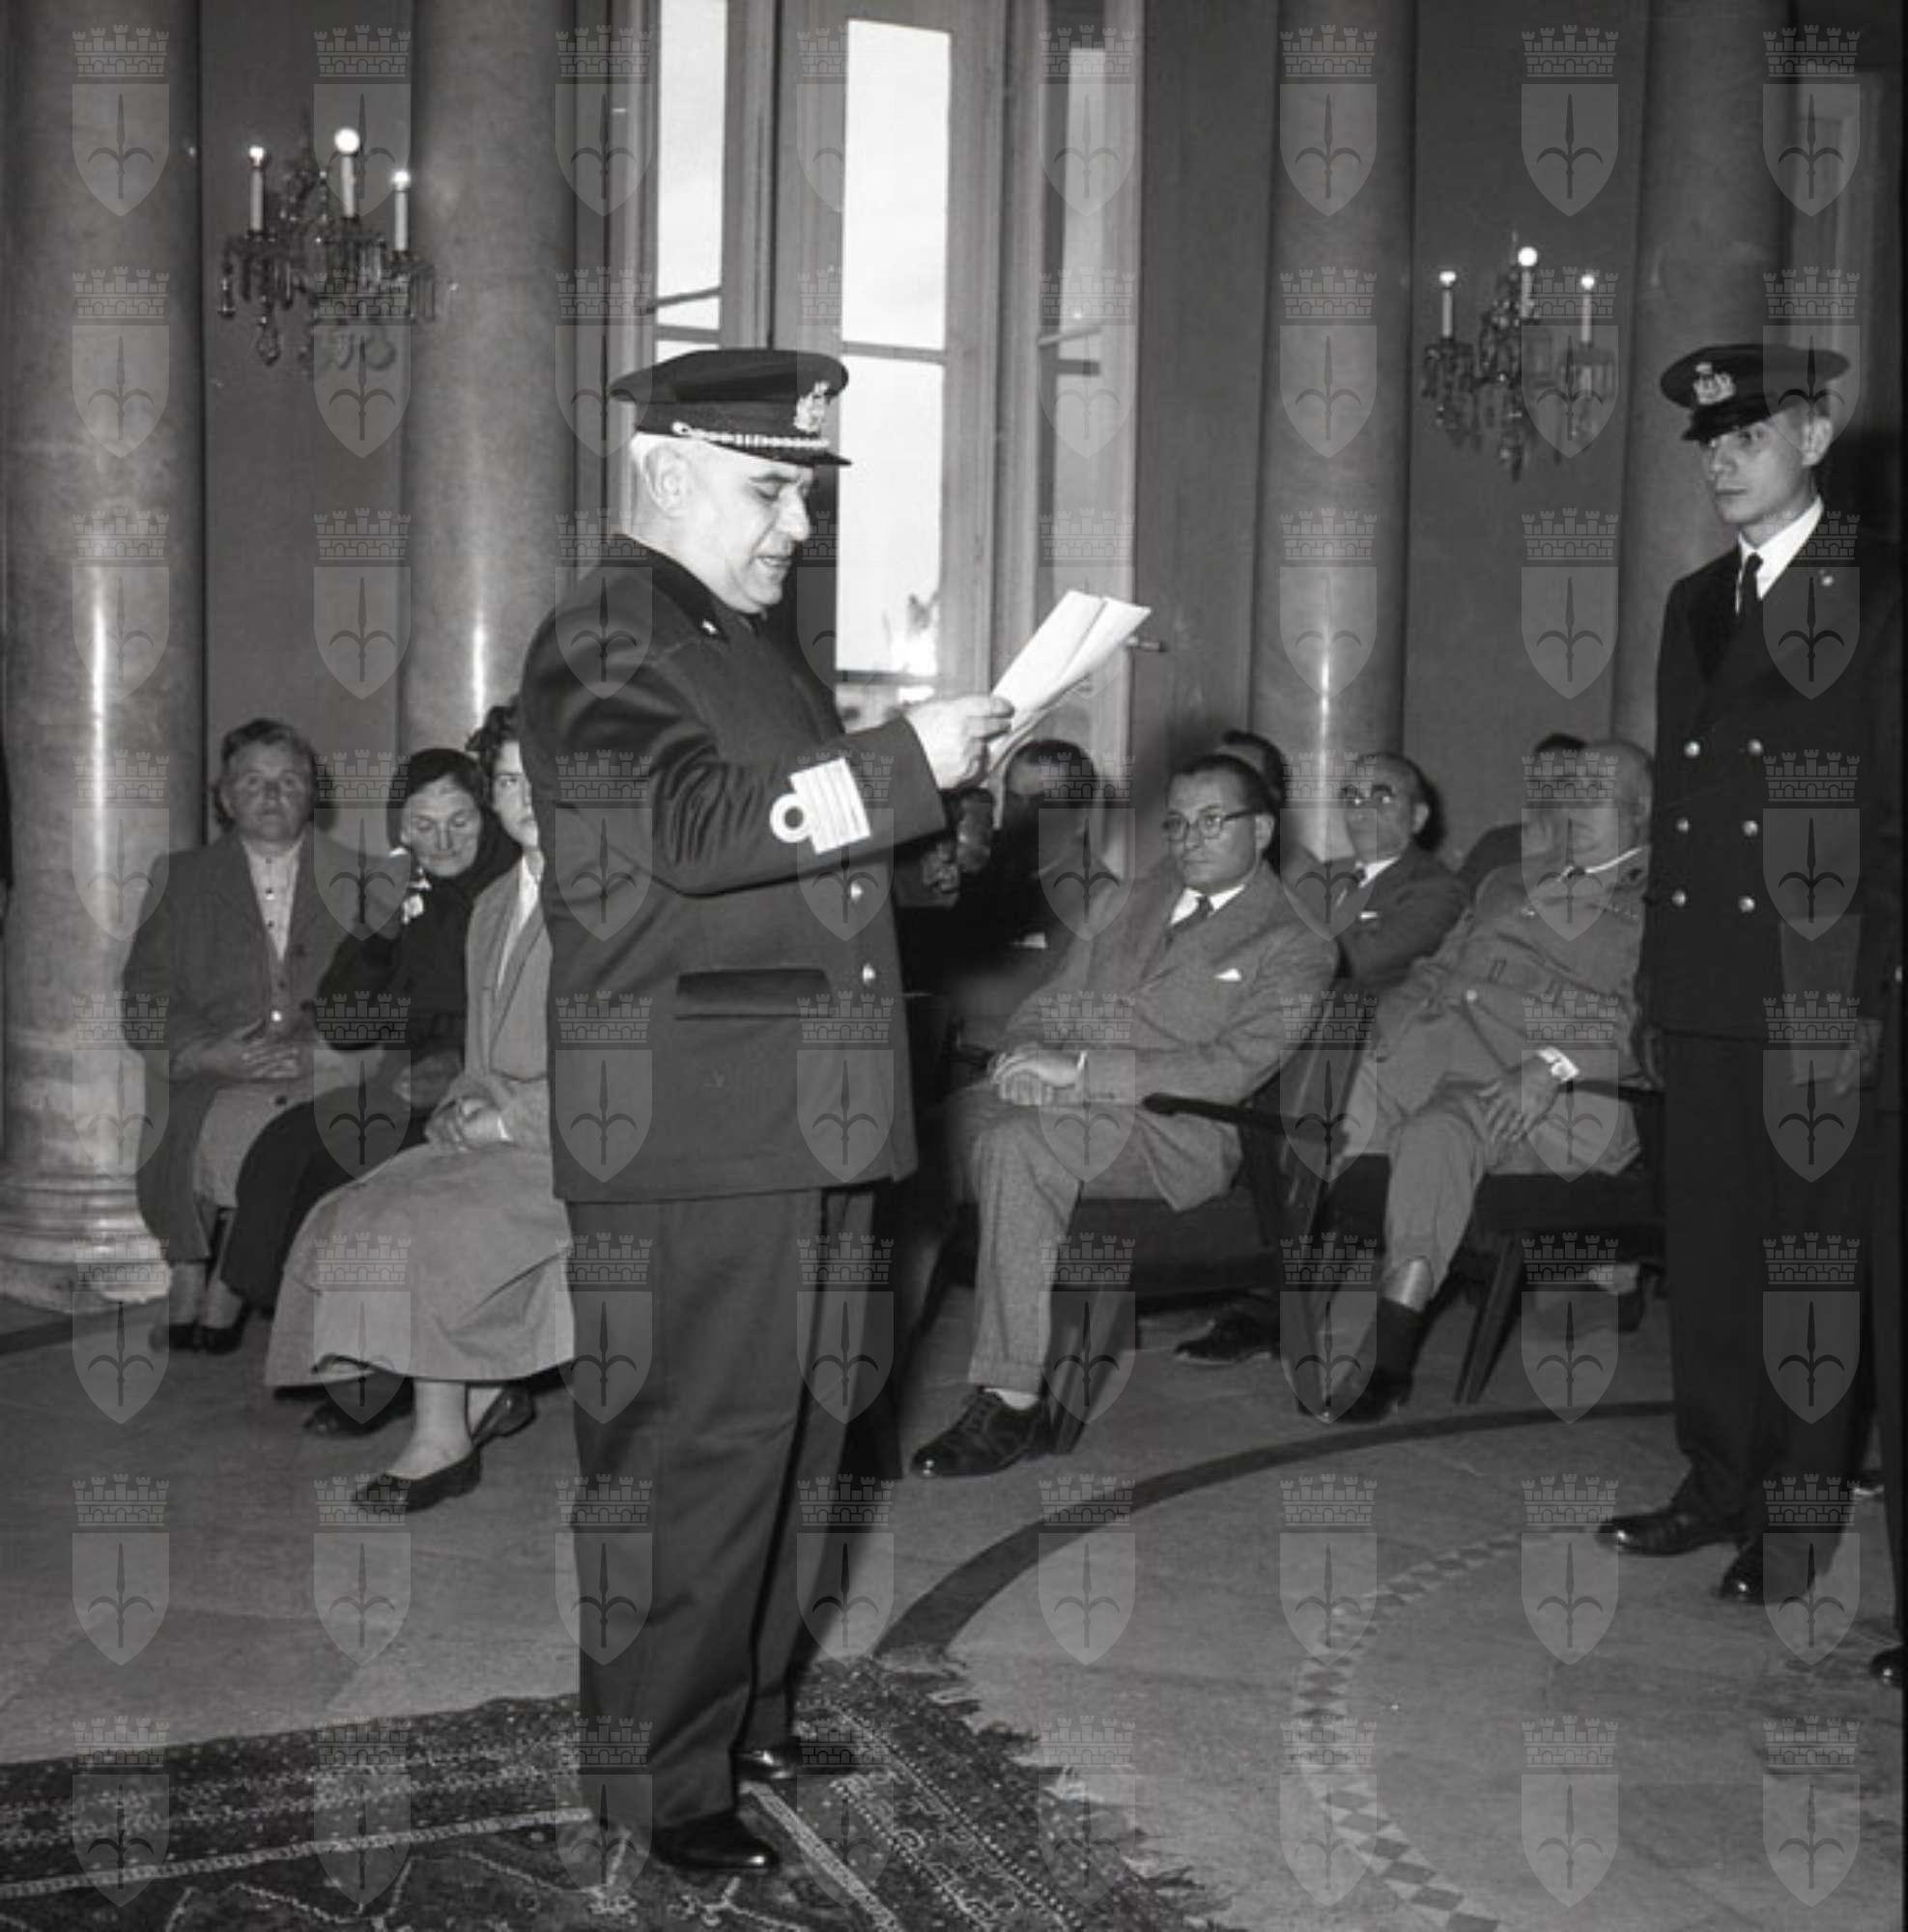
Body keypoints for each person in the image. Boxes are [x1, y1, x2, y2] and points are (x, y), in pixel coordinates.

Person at [517, 348, 1010, 1879]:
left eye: (803, 494)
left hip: (812, 1111)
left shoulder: (736, 636)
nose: (797, 524)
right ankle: (657, 1780)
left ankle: (748, 1715)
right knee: (691, 1457)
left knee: (801, 1442)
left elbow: (800, 857)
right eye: (768, 490)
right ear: (666, 471)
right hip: (694, 1121)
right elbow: (686, 830)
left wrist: (937, 810)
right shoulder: (606, 631)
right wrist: (897, 763)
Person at [1597, 345, 1899, 1611]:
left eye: (1749, 437)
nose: (1722, 460)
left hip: (1815, 987)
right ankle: (1716, 1481)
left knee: (1807, 1264)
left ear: (1813, 439)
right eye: (1709, 444)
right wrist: (1653, 984)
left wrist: (1867, 991)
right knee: (1714, 1256)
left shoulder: (1878, 587)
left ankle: (1795, 1517)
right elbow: (1678, 817)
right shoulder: (1693, 600)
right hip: (1706, 981)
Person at [903, 753, 1336, 1476]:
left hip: (1173, 1131)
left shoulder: (1296, 943)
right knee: (917, 1138)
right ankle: (876, 1368)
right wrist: (1026, 1059)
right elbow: (1048, 1005)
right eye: (1177, 823)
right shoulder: (1131, 899)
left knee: (1018, 1149)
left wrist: (1077, 1072)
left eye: (1212, 821)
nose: (1189, 838)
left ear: (1261, 830)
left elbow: (1229, 1070)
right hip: (1067, 1103)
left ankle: (1012, 1402)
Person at [267, 709, 572, 1510]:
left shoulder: (611, 899)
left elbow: (627, 1070)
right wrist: (463, 1105)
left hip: (573, 1146)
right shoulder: (498, 903)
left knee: (418, 1224)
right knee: (357, 1208)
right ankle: (466, 1400)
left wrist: (503, 1122)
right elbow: (478, 1049)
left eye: (542, 778)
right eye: (509, 780)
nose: (526, 798)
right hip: (494, 1127)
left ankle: (443, 1436)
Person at [1318, 741, 1653, 1423]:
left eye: (1594, 796)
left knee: (1436, 1133)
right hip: (1440, 1053)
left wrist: (1554, 1062)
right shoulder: (1506, 879)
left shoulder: (1662, 905)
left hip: (1553, 1095)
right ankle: (1272, 1299)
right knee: (1317, 1094)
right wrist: (1374, 1036)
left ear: (1642, 809)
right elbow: (1435, 972)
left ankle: (1388, 1360)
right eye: (1566, 793)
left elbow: (1651, 1023)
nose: (1571, 810)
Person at [215, 746, 518, 1421]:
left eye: (460, 822)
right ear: (399, 827)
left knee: (353, 1179)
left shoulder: (513, 891)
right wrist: (379, 930)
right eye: (422, 825)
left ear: (488, 816)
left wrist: (447, 1060)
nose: (442, 842)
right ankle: (342, 1355)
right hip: (412, 1081)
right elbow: (344, 1020)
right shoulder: (408, 895)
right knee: (288, 1145)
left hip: (493, 1086)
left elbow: (508, 1018)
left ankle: (382, 1378)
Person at [1178, 752, 1467, 1367]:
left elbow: (1355, 961)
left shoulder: (1436, 889)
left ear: (1418, 816)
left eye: (1382, 796)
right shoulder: (1322, 878)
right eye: (1351, 796)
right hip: (1280, 1024)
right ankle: (1202, 1247)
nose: (1361, 809)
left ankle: (1266, 1298)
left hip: (1358, 1045)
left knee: (1276, 1098)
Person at [123, 721, 362, 1351]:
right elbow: (144, 999)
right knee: (213, 1127)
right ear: (225, 797)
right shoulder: (180, 878)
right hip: (214, 1070)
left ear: (314, 793)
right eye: (253, 782)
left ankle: (232, 1274)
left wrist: (325, 1050)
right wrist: (210, 1052)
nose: (272, 795)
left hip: (320, 1070)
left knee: (288, 1133)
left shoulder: (363, 879)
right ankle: (189, 1264)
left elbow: (392, 996)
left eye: (289, 781)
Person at [1456, 731, 1586, 895]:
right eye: (1537, 784)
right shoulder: (1498, 846)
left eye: (1562, 784)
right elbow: (1453, 903)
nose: (1546, 795)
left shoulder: (1604, 856)